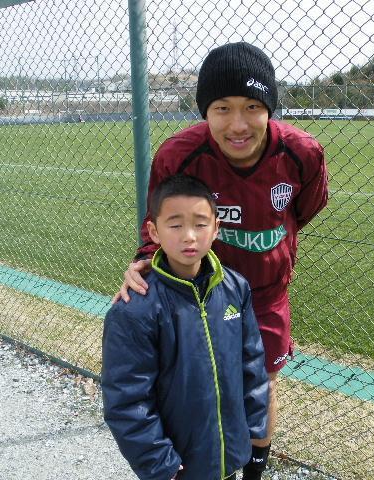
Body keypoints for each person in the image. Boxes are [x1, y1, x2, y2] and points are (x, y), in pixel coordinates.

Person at [113, 41, 329, 479]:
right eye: (222, 108)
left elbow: (305, 208)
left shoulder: (302, 152)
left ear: (270, 108)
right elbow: (160, 218)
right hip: (201, 293)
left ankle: (255, 467)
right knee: (195, 384)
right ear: (204, 112)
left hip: (265, 295)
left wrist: (273, 242)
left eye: (252, 107)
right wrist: (144, 260)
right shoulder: (178, 155)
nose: (238, 124)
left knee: (261, 382)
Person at [102, 174, 269, 480]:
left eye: (200, 224)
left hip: (230, 453)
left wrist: (251, 429)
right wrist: (160, 463)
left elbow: (252, 365)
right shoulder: (135, 310)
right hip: (179, 467)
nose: (189, 236)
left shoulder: (235, 288)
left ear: (216, 228)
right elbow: (127, 399)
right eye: (176, 225)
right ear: (154, 231)